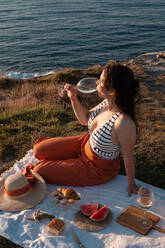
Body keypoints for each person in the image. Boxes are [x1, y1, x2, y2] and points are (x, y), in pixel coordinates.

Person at [25, 60, 140, 197]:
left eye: (101, 81)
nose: (97, 82)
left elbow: (128, 157)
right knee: (38, 149)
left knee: (39, 169)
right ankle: (71, 158)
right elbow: (84, 120)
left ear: (112, 91)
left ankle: (71, 163)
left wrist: (131, 183)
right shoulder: (107, 102)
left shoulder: (124, 123)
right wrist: (73, 97)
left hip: (97, 168)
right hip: (84, 144)